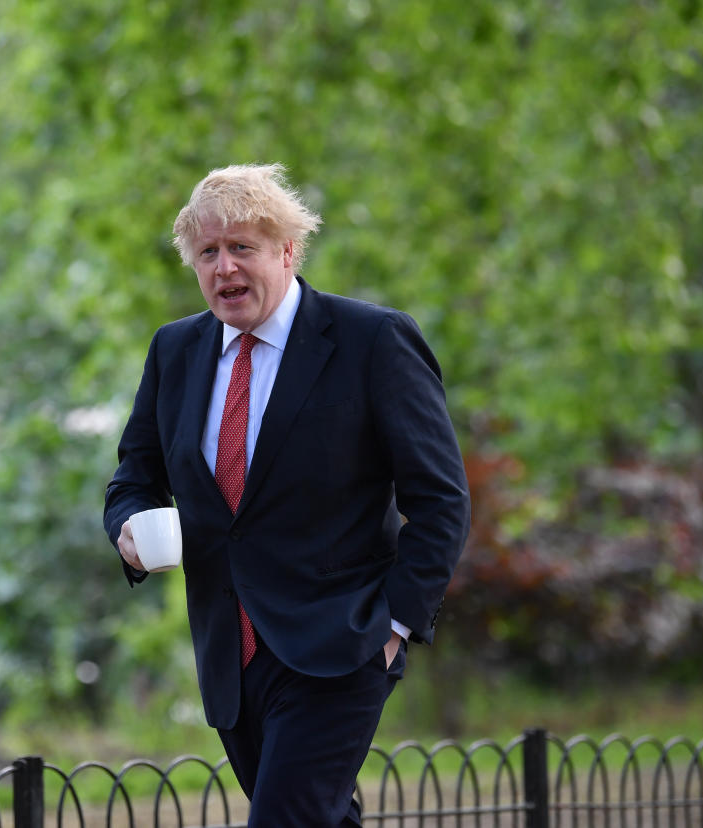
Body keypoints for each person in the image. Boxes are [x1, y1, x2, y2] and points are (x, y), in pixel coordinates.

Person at [103, 163, 470, 826]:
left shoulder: (372, 340)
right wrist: (128, 528)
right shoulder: (175, 351)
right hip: (231, 656)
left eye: (242, 247)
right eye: (207, 253)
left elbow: (441, 498)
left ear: (287, 251)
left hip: (341, 646)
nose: (224, 269)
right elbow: (134, 475)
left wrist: (393, 627)